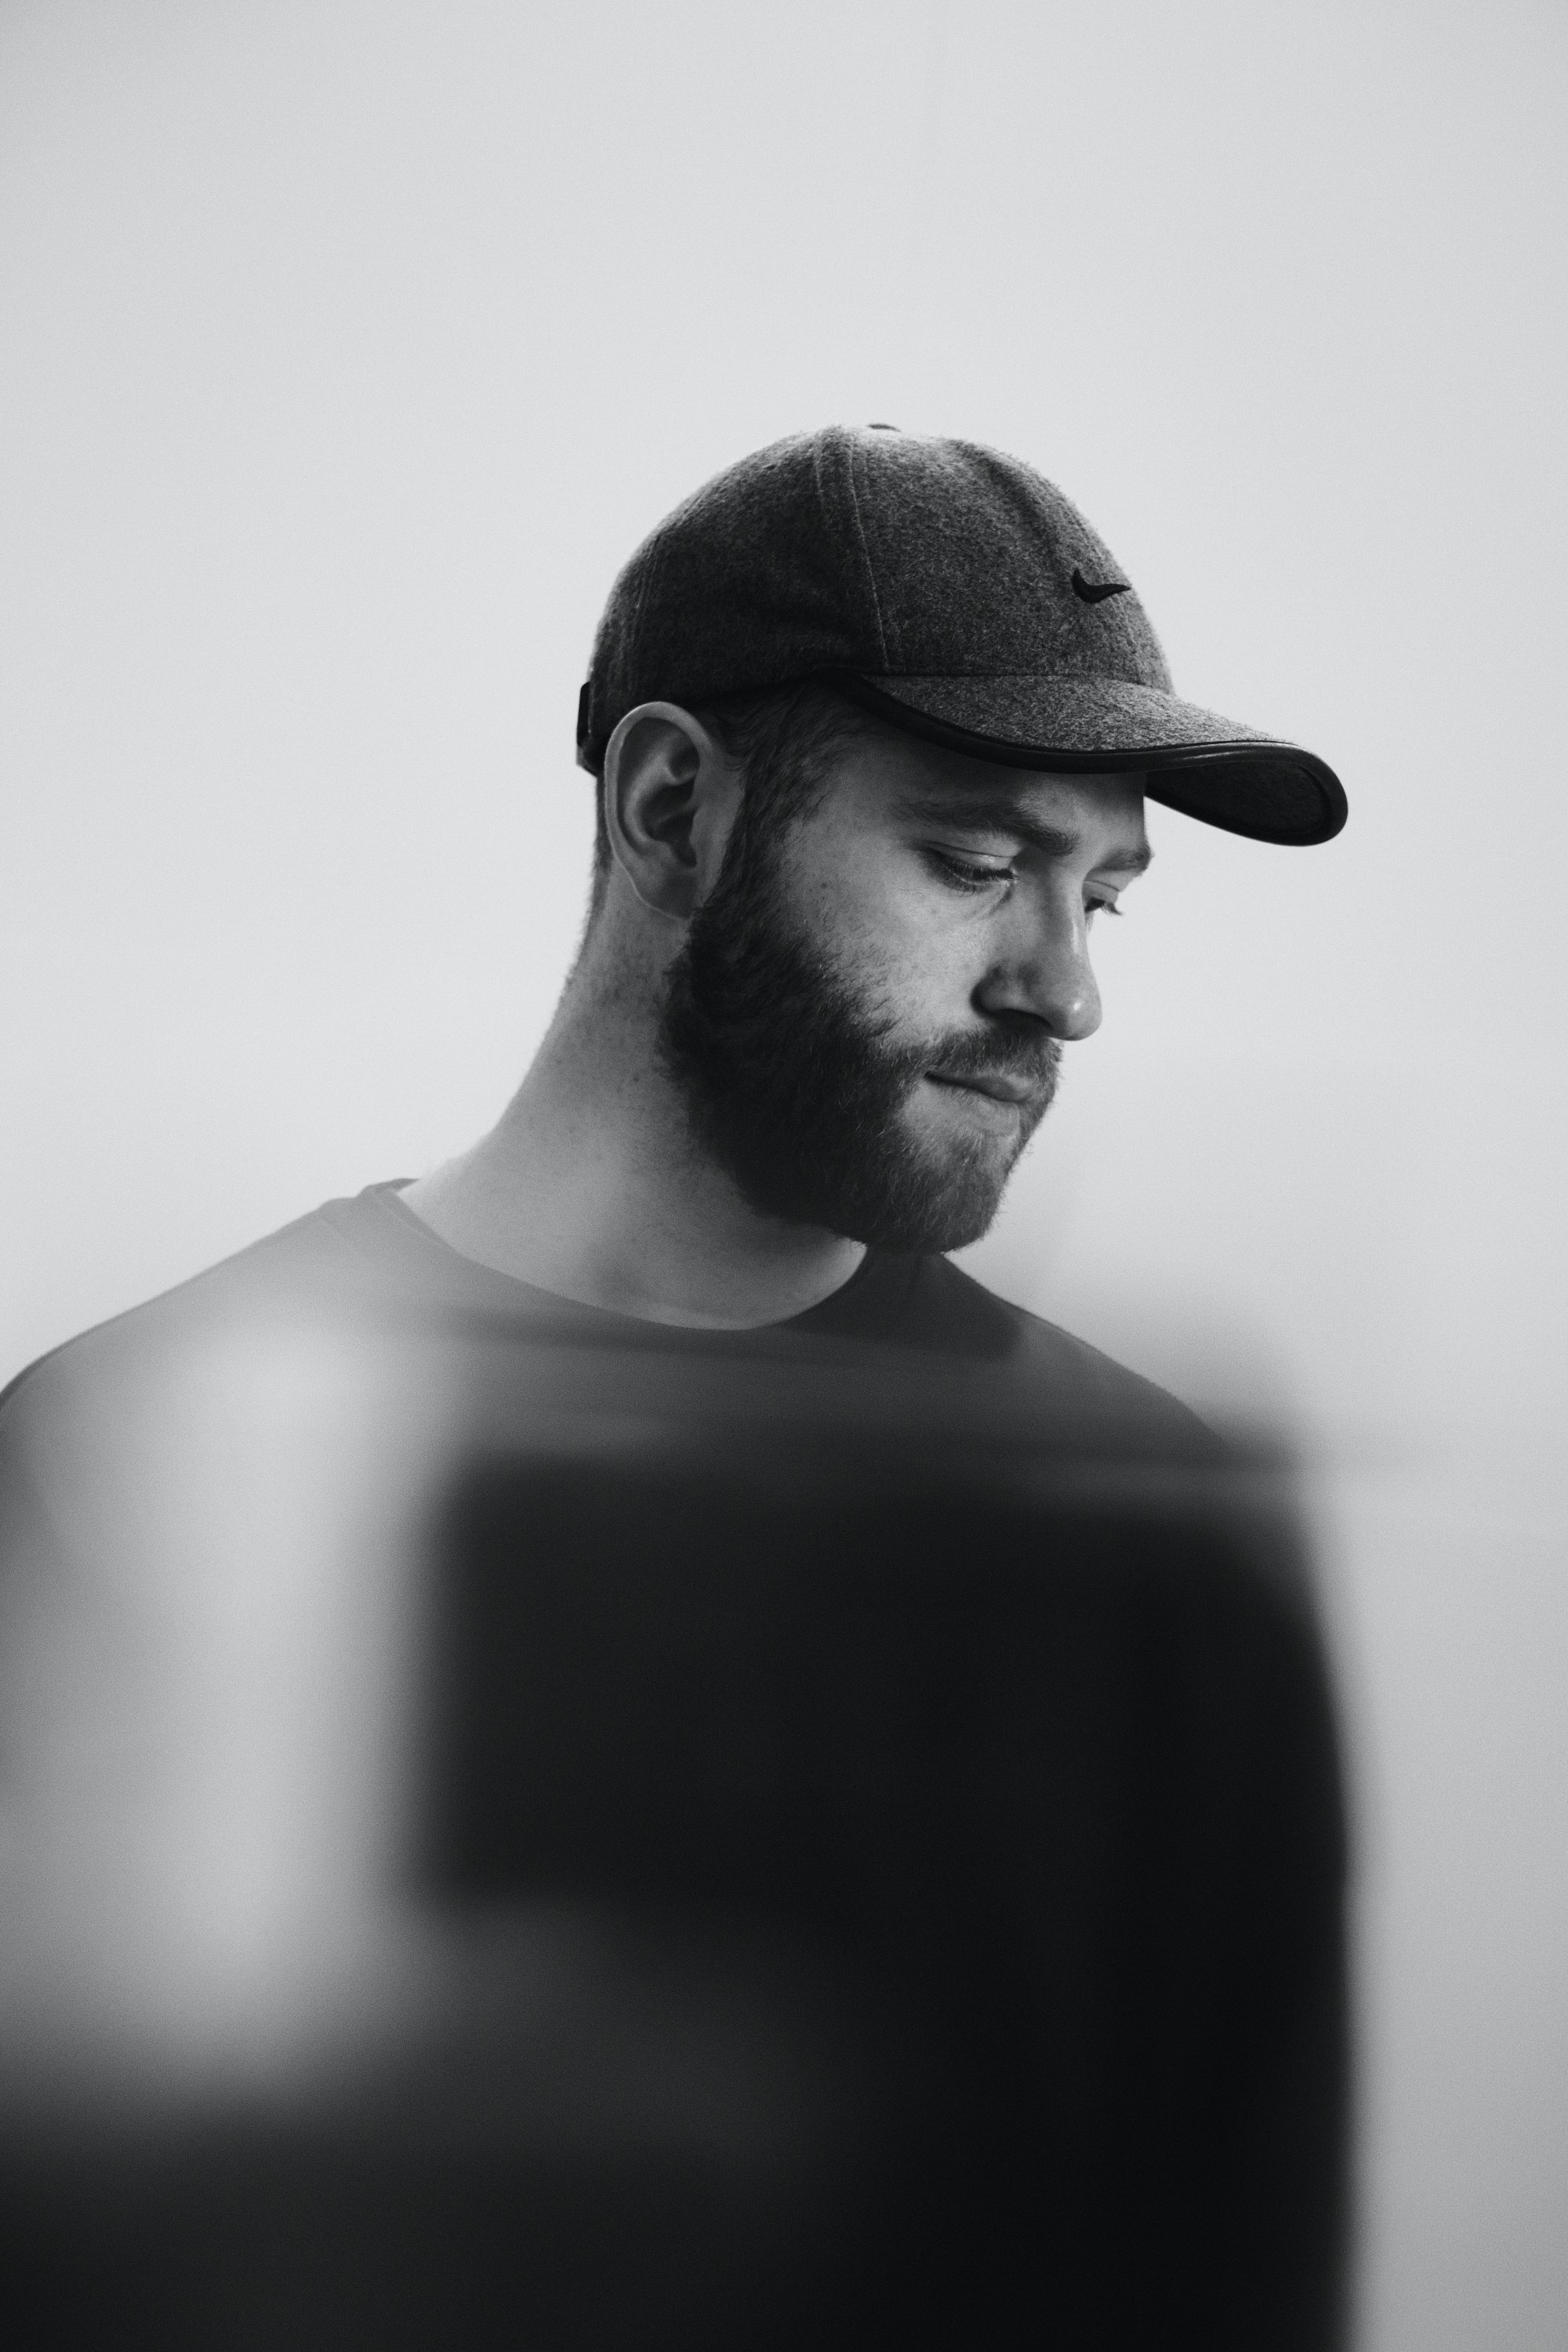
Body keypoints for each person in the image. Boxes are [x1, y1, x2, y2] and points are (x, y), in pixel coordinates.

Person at [0, 428, 1352, 2347]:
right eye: (976, 862)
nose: (1062, 991)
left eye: (1101, 898)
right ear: (670, 807)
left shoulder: (1140, 1528)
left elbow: (1233, 2273)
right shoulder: (131, 1462)